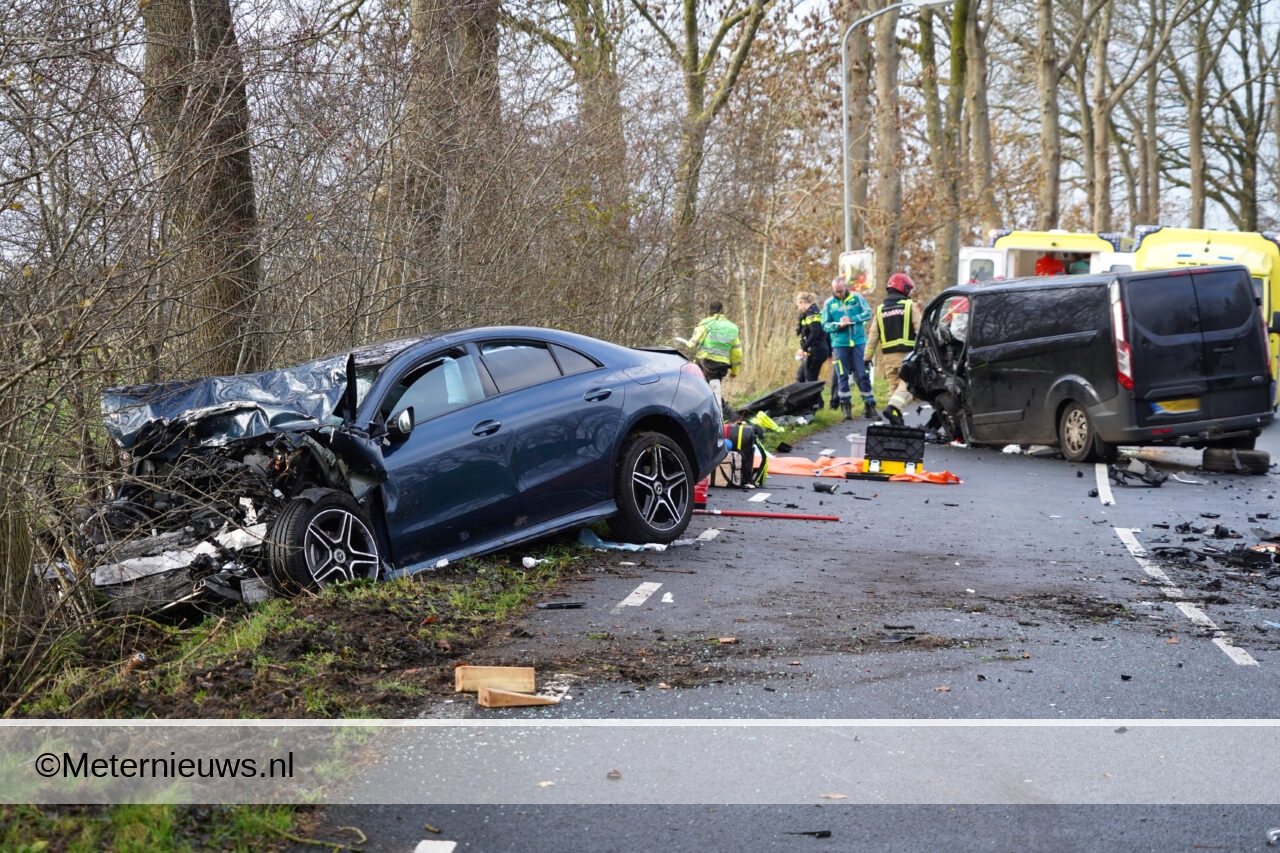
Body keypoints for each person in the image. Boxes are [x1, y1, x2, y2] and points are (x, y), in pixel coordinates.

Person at [865, 272, 920, 427]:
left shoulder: (880, 309)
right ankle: (894, 408)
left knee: (893, 386)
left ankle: (896, 419)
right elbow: (921, 330)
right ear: (904, 289)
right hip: (907, 354)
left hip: (888, 357)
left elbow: (873, 336)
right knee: (908, 384)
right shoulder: (910, 306)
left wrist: (866, 358)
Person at [821, 275, 876, 420]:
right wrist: (837, 326)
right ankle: (846, 406)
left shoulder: (857, 298)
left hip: (858, 342)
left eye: (841, 290)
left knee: (862, 374)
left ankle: (869, 404)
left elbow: (868, 313)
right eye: (836, 291)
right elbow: (825, 324)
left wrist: (853, 319)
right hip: (840, 344)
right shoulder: (828, 303)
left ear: (846, 287)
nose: (839, 294)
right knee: (842, 376)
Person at [690, 299, 743, 408]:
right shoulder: (732, 327)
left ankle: (715, 414)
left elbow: (693, 343)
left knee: (702, 390)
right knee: (714, 390)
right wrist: (734, 371)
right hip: (721, 365)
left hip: (706, 362)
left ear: (710, 311)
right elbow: (737, 352)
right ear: (722, 311)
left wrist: (688, 348)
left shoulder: (706, 323)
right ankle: (717, 414)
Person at [793, 291, 830, 382]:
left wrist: (803, 348)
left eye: (798, 305)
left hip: (817, 350)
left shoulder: (813, 313)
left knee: (810, 381)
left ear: (803, 302)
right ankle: (803, 396)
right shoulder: (808, 314)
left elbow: (815, 332)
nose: (798, 308)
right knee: (800, 377)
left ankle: (814, 396)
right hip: (811, 350)